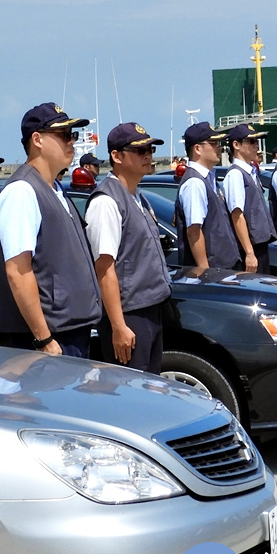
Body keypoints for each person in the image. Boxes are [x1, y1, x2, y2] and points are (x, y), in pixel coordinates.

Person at [0, 103, 102, 357]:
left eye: (72, 135)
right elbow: (18, 272)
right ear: (37, 139)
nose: (72, 142)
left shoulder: (56, 189)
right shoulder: (21, 191)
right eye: (64, 135)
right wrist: (44, 339)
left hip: (73, 330)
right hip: (52, 339)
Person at [86, 123, 171, 373]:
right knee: (129, 390)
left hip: (150, 309)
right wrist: (118, 325)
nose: (148, 155)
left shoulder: (138, 197)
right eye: (139, 150)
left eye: (150, 149)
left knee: (151, 388)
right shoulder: (106, 202)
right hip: (130, 314)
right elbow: (104, 268)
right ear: (116, 156)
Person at [175, 122, 238, 269]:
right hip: (213, 272)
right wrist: (204, 270)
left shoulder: (208, 179)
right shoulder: (194, 183)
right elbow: (194, 231)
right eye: (214, 143)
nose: (219, 147)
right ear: (197, 148)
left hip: (224, 266)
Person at [222, 123, 277, 273]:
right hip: (251, 248)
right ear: (236, 145)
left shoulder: (250, 172)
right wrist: (249, 252)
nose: (256, 146)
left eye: (257, 141)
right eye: (252, 141)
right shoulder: (235, 175)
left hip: (260, 244)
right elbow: (237, 215)